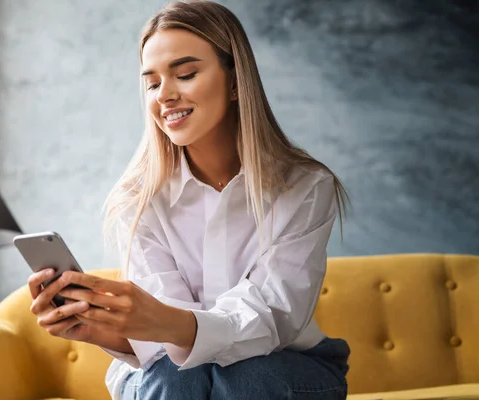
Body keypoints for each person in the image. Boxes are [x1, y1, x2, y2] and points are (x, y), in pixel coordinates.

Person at [28, 1, 351, 399]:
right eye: (151, 83)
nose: (165, 95)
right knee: (172, 377)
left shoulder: (304, 187)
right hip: (168, 372)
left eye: (185, 74)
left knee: (247, 378)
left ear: (236, 82)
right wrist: (101, 331)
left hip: (284, 363)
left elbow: (273, 318)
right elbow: (162, 344)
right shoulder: (138, 199)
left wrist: (165, 322)